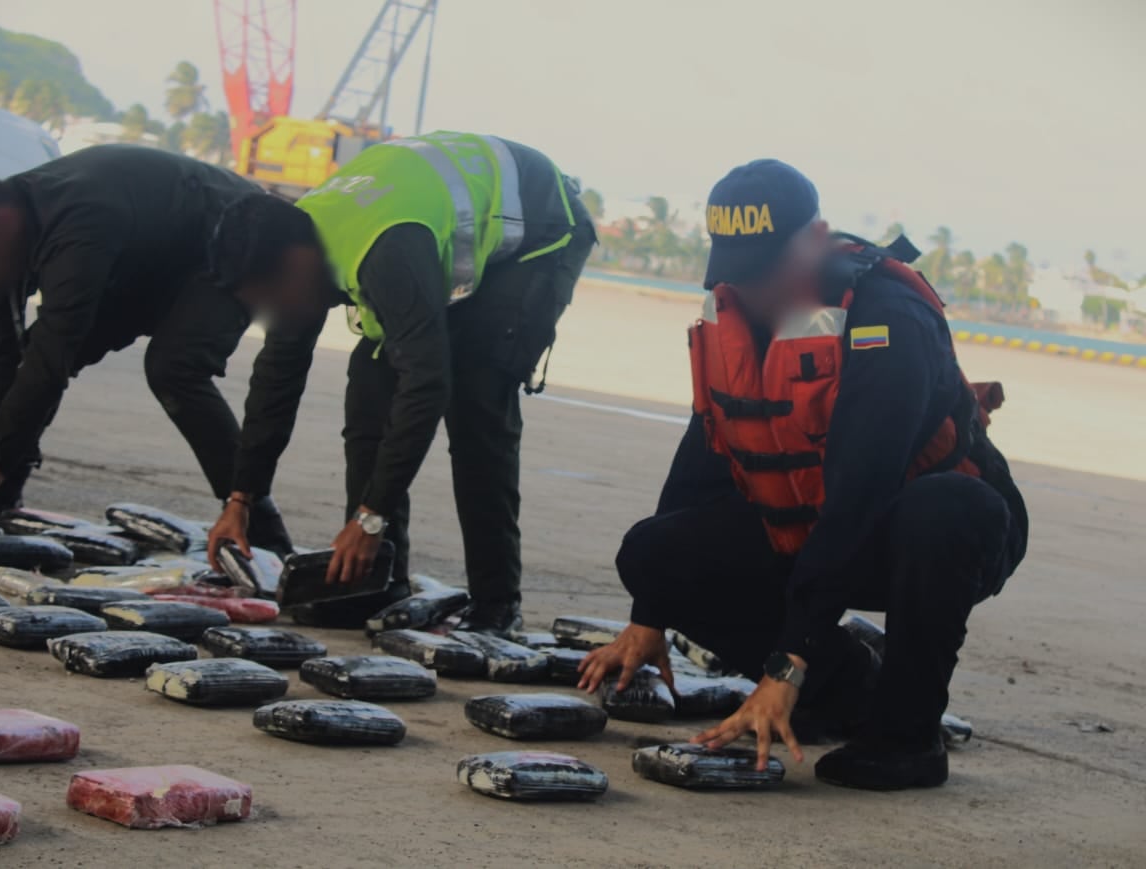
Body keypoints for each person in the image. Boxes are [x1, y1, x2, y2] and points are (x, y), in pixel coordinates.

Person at [578, 159, 1028, 790]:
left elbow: (861, 492)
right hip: (808, 520)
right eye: (740, 269)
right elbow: (704, 455)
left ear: (814, 238)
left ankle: (905, 735)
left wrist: (785, 665)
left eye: (767, 266)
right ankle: (844, 690)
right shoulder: (733, 314)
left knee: (946, 510)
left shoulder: (885, 316)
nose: (755, 289)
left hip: (916, 525)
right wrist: (649, 613)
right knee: (654, 554)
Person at [207, 130, 596, 635]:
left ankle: (497, 601)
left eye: (269, 298)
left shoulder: (383, 254)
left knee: (476, 404)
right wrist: (241, 499)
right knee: (368, 395)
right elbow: (276, 379)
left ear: (296, 263)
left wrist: (371, 517)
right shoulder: (293, 246)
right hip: (425, 234)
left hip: (540, 232)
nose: (269, 314)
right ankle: (375, 582)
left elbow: (427, 384)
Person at [0, 145, 293, 563]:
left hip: (238, 238)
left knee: (173, 367)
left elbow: (51, 361)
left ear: (0, 222)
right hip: (147, 255)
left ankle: (258, 523)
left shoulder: (81, 221)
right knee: (25, 360)